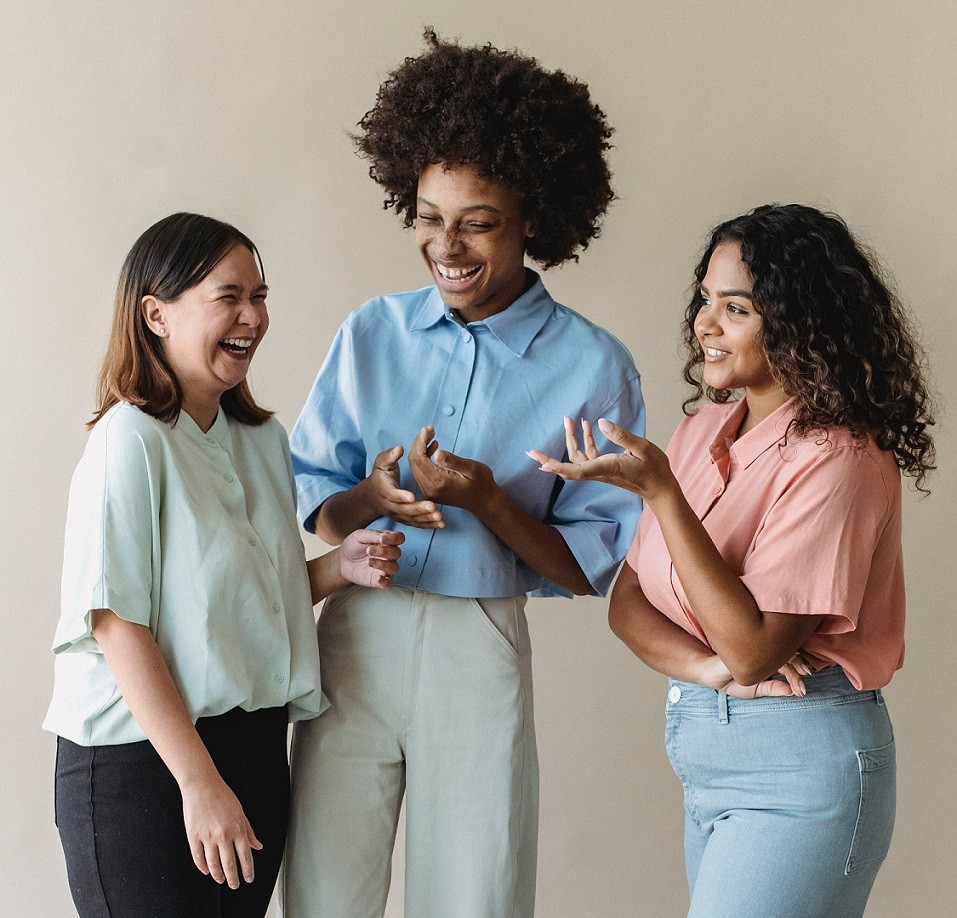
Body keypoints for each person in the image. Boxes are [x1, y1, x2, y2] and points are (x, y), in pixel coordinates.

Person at [283, 29, 645, 918]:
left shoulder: (592, 366)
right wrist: (373, 497)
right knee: (325, 895)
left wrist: (487, 500)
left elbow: (587, 566)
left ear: (532, 220)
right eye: (428, 216)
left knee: (472, 898)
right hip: (352, 636)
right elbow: (312, 504)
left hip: (476, 647)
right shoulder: (371, 332)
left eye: (476, 221)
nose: (445, 244)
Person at [529, 203, 936, 917]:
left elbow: (752, 649)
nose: (704, 325)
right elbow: (629, 601)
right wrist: (704, 669)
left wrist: (662, 495)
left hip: (800, 770)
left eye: (736, 308)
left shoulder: (837, 456)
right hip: (705, 755)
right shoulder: (700, 431)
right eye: (704, 301)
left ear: (800, 322)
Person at [43, 212, 403, 918]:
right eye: (228, 296)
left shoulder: (262, 440)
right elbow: (120, 626)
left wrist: (337, 569)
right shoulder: (130, 441)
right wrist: (199, 784)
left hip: (255, 749)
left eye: (259, 296)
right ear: (156, 314)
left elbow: (242, 604)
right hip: (146, 767)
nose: (251, 317)